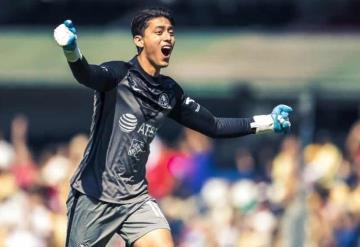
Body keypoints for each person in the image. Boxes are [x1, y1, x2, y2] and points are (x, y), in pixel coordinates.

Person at [53, 7, 293, 247]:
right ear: (139, 40)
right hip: (94, 196)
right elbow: (87, 74)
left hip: (135, 199)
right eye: (159, 32)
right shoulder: (119, 75)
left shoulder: (169, 92)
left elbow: (214, 126)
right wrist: (71, 50)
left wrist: (268, 121)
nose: (168, 37)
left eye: (171, 32)